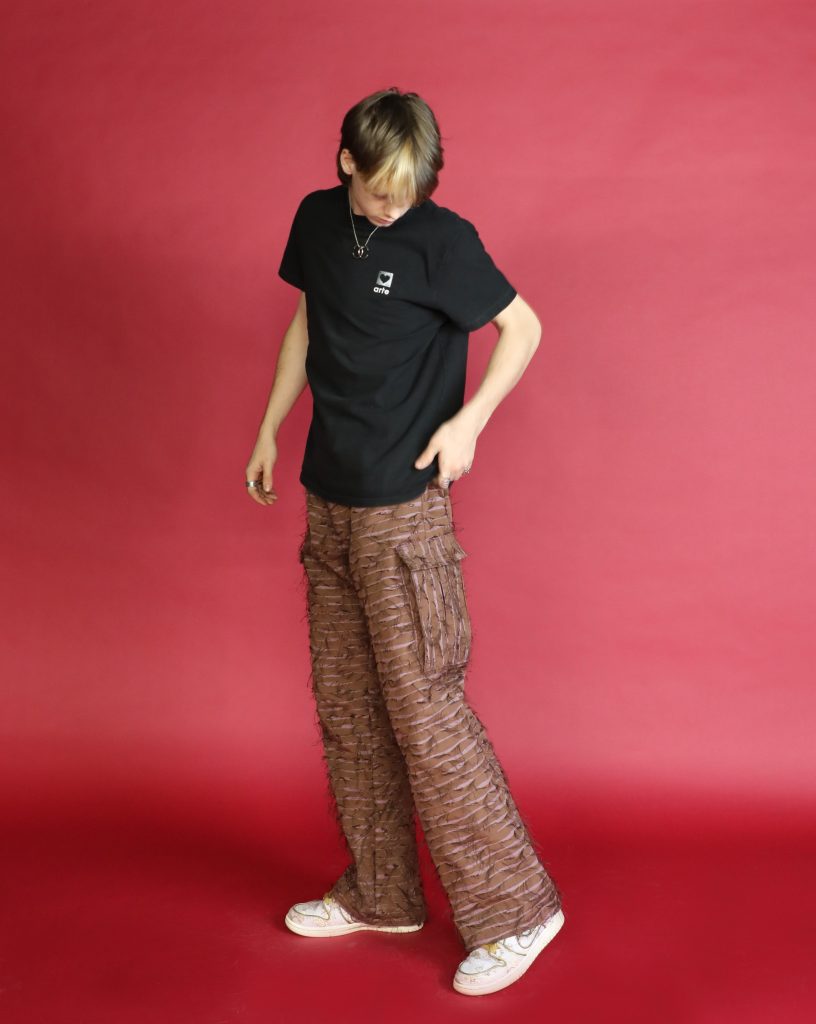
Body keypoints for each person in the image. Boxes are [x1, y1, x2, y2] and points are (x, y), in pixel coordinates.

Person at [245, 87, 565, 996]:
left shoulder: (443, 240)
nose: (395, 207)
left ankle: (519, 910)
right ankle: (382, 892)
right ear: (346, 161)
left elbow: (523, 328)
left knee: (425, 712)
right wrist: (269, 428)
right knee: (350, 710)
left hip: (404, 511)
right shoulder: (318, 220)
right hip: (329, 500)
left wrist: (470, 423)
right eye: (382, 190)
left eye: (411, 191)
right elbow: (309, 322)